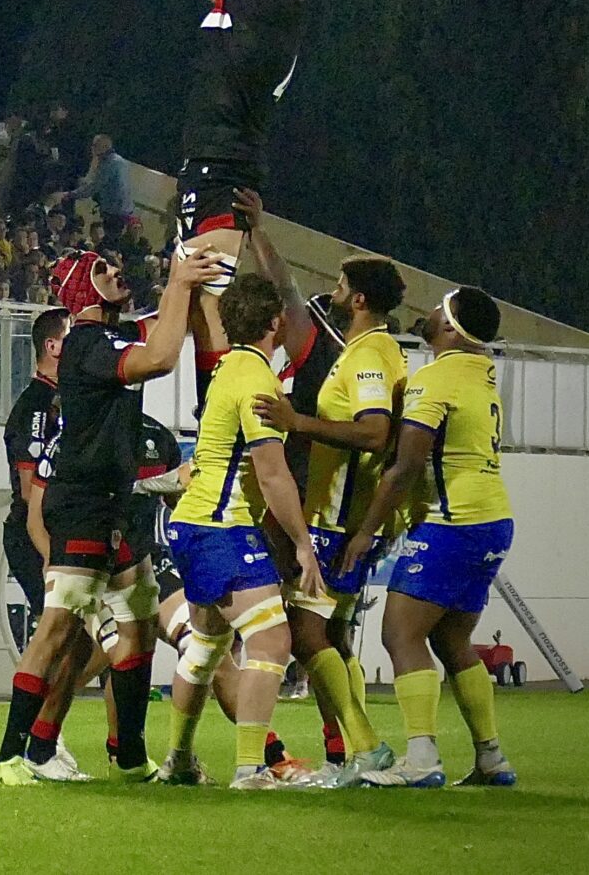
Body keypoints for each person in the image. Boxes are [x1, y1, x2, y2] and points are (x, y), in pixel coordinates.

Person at [0, 245, 215, 785]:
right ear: (84, 291)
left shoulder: (114, 334)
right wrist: (179, 283)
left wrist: (197, 283)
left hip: (112, 504)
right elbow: (159, 358)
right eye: (101, 270)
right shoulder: (87, 342)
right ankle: (9, 757)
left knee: (136, 627)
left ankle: (129, 757)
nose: (115, 272)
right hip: (84, 503)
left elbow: (163, 334)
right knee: (58, 629)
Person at [151, 274, 325, 788]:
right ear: (275, 323)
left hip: (192, 523)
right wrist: (301, 543)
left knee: (206, 648)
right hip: (220, 527)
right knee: (271, 641)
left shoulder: (228, 369)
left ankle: (178, 761)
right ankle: (252, 768)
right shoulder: (255, 379)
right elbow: (272, 473)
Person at [343, 287, 517, 789]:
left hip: (453, 520)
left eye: (440, 307)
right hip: (491, 518)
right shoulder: (479, 374)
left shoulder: (436, 377)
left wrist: (366, 531)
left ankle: (421, 760)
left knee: (400, 634)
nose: (430, 311)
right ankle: (491, 758)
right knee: (451, 638)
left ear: (450, 327)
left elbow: (405, 467)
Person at [249, 241, 409, 784]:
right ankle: (347, 753)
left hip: (337, 519)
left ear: (359, 299)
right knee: (333, 636)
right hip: (344, 516)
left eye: (341, 285)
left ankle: (365, 747)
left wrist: (297, 423)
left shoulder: (368, 357)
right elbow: (293, 295)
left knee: (305, 632)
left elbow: (374, 431)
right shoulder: (369, 350)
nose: (331, 292)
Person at [152, 0, 305, 379]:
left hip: (225, 169)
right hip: (214, 164)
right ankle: (212, 418)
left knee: (211, 303)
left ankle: (226, 422)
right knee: (197, 305)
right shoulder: (266, 2)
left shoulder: (263, 7)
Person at [0, 308, 66, 647]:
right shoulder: (36, 406)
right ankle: (35, 697)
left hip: (53, 531)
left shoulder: (63, 401)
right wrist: (48, 552)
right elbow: (29, 491)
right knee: (58, 631)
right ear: (53, 347)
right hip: (33, 534)